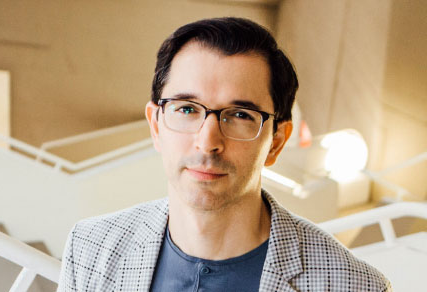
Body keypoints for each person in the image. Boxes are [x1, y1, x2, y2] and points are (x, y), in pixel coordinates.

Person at [57, 17, 391, 291]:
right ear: (156, 125)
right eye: (187, 109)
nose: (207, 142)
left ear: (276, 141)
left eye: (241, 115)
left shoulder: (355, 287)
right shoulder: (90, 247)